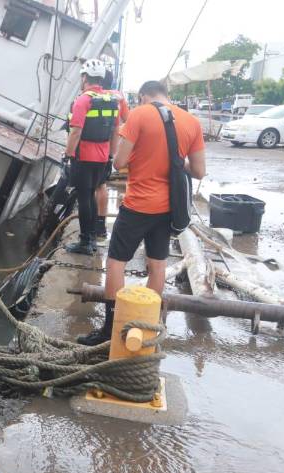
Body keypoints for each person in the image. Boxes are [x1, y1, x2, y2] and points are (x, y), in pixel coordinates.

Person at [78, 80, 206, 346]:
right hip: (168, 208)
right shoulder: (191, 122)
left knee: (116, 262)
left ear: (143, 96)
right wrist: (174, 159)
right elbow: (199, 171)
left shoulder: (139, 115)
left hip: (137, 205)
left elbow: (120, 161)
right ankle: (146, 323)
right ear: (166, 95)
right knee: (157, 264)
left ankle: (110, 329)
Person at [64, 59, 119, 254]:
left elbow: (76, 132)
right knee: (93, 195)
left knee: (84, 197)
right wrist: (111, 155)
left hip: (84, 157)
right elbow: (115, 130)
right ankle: (93, 238)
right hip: (103, 157)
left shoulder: (83, 100)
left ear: (85, 77)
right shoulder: (112, 100)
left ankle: (85, 242)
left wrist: (67, 155)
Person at [95, 69, 130, 240]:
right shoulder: (119, 98)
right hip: (109, 150)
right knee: (102, 186)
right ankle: (101, 225)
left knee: (92, 188)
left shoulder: (93, 95)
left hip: (90, 148)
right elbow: (127, 120)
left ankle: (91, 224)